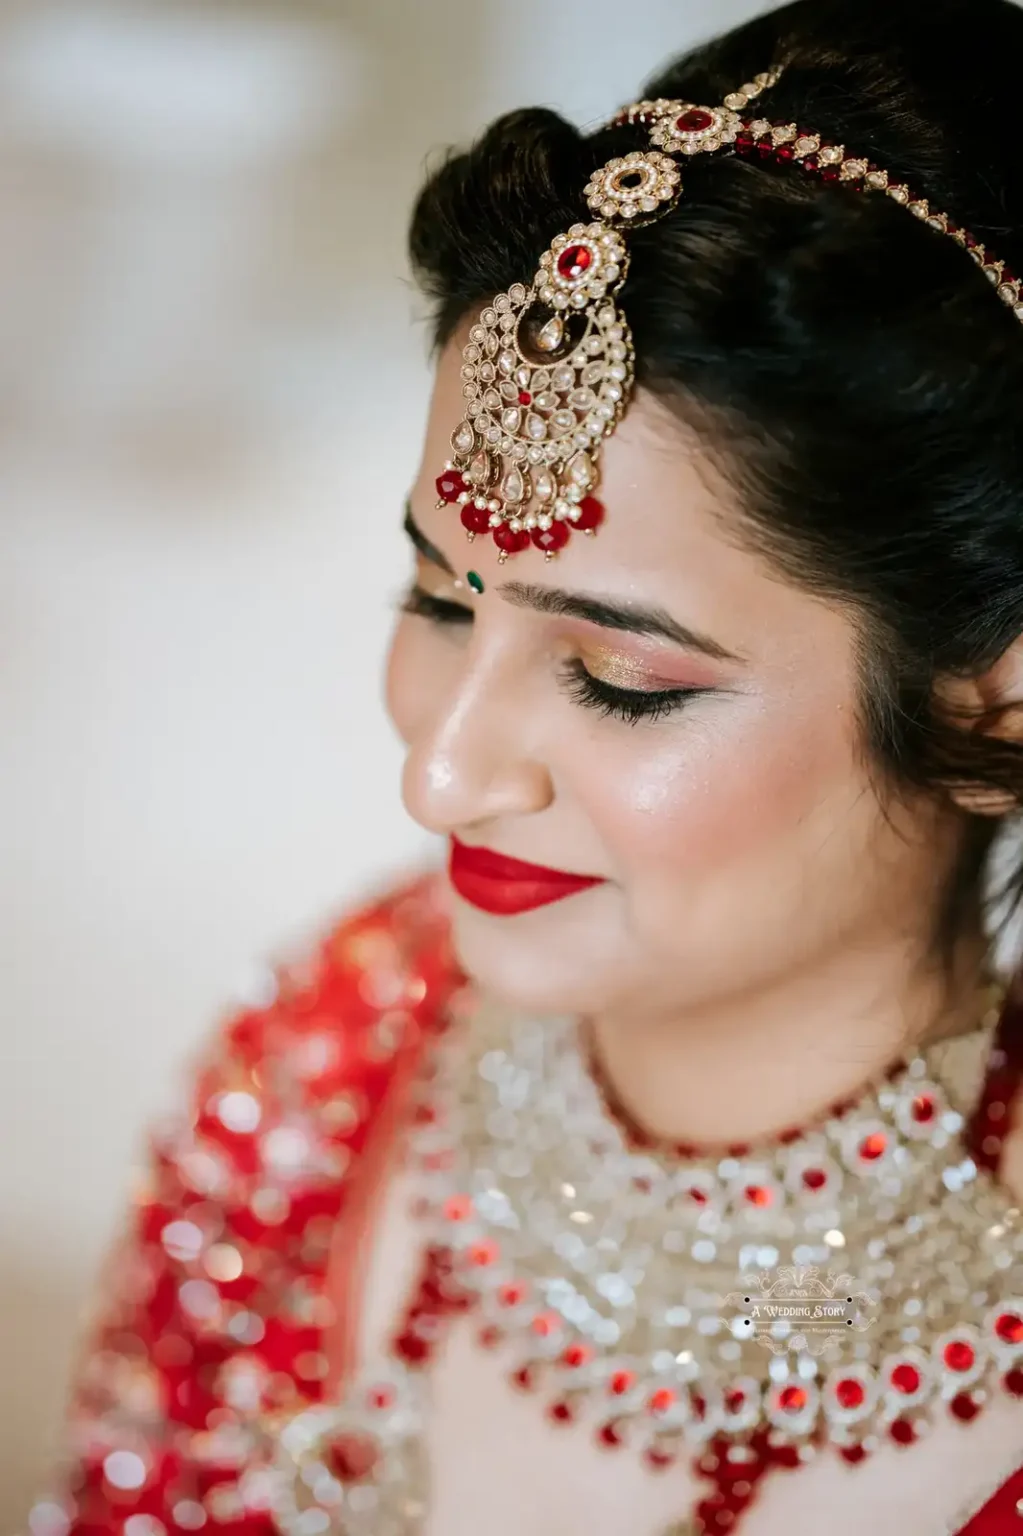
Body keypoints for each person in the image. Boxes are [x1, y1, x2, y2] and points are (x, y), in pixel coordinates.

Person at [27, 0, 1023, 1531]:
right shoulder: (334, 1060)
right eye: (436, 598)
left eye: (621, 681)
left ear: (993, 707)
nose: (441, 779)